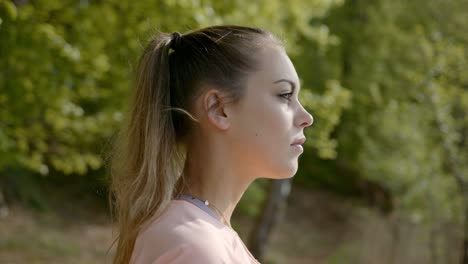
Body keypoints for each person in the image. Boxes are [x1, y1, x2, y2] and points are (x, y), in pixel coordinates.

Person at [109, 25, 314, 264]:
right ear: (218, 109)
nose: (307, 117)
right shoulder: (197, 248)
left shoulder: (196, 234)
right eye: (285, 95)